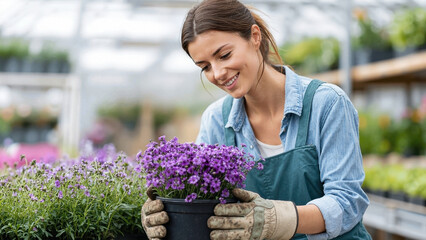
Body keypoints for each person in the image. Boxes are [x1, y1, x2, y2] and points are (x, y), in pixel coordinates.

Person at [141, 0, 372, 239]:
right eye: (205, 67)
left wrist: (277, 220)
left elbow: (347, 203)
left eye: (224, 55)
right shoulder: (217, 120)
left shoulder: (326, 103)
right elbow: (203, 202)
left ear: (254, 36)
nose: (217, 73)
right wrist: (169, 210)